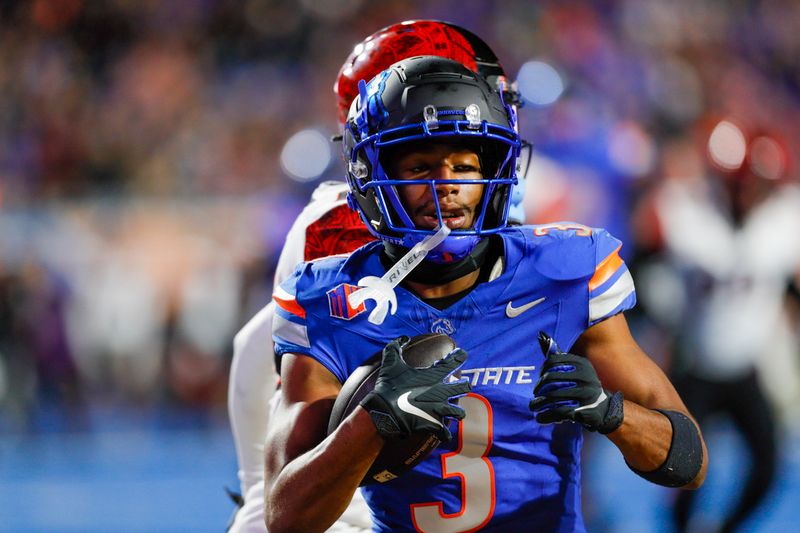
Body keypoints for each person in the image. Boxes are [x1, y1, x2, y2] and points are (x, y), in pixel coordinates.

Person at [264, 55, 707, 532]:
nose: (446, 187)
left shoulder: (562, 273)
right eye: (420, 168)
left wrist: (610, 413)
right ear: (372, 176)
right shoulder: (330, 303)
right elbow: (285, 519)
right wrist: (371, 422)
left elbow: (690, 462)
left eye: (463, 166)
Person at [227, 20, 529, 532]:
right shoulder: (356, 225)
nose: (489, 110)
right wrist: (265, 489)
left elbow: (251, 347)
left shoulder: (464, 211)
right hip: (355, 505)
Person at [632, 120, 799, 532]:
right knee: (684, 471)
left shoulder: (784, 219)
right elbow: (637, 267)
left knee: (768, 464)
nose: (747, 193)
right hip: (695, 366)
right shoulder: (687, 210)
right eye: (740, 183)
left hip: (745, 369)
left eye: (756, 185)